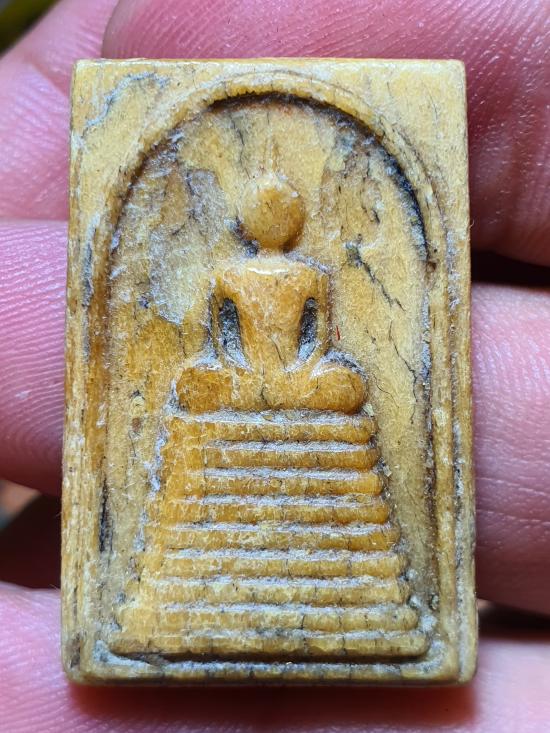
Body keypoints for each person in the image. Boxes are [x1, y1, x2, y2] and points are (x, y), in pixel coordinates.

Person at [0, 0, 548, 730]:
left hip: (295, 383)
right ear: (254, 222)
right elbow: (220, 343)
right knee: (197, 383)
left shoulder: (311, 277)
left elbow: (316, 345)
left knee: (343, 385)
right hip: (248, 383)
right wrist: (254, 378)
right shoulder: (229, 274)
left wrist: (286, 378)